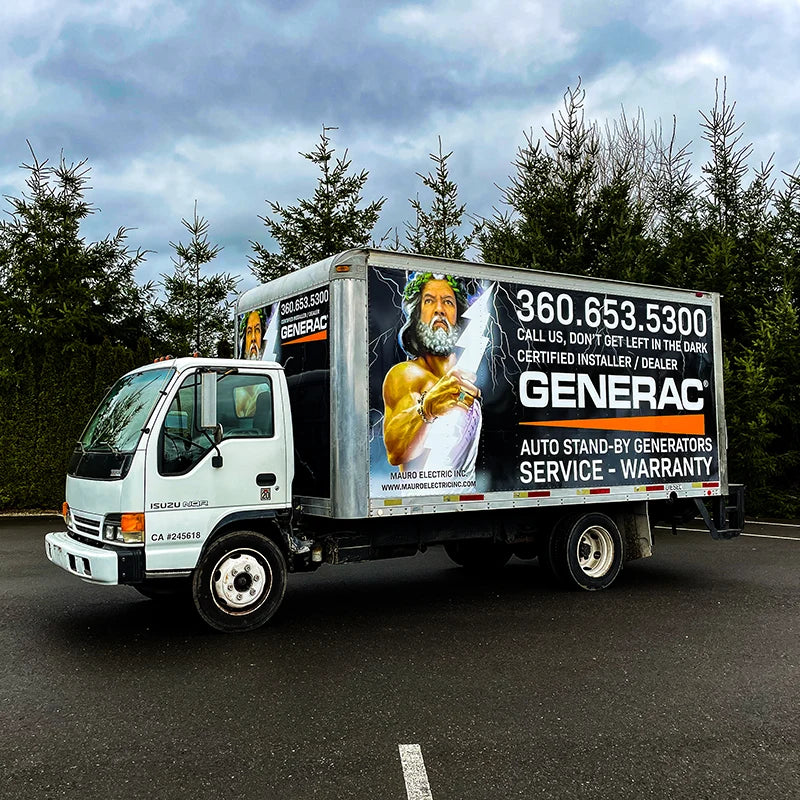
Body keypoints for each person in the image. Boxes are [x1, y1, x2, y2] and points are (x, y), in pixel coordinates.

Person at [382, 272, 482, 475]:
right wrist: (426, 408)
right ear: (417, 313)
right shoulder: (407, 374)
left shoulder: (467, 372)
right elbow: (395, 452)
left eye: (448, 302)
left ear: (458, 314)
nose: (439, 310)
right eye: (429, 301)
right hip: (422, 500)